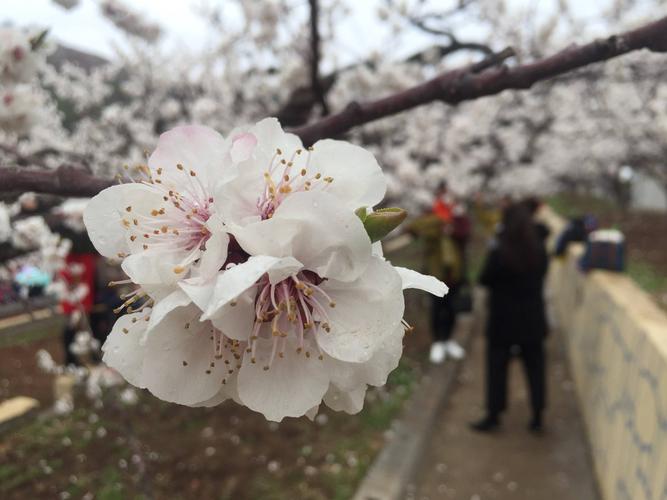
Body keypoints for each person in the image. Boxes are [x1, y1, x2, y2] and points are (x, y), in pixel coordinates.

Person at [472, 202, 549, 433]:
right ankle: (537, 415)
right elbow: (543, 274)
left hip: (502, 320)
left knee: (497, 370)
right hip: (532, 320)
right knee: (535, 369)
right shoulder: (538, 249)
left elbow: (484, 278)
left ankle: (493, 415)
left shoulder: (500, 250)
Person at [409, 182, 470, 364]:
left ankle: (448, 340)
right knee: (436, 309)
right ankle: (437, 341)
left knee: (452, 308)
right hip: (436, 272)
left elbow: (465, 232)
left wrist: (451, 221)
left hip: (455, 273)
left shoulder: (459, 217)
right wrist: (439, 220)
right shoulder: (431, 216)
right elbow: (415, 229)